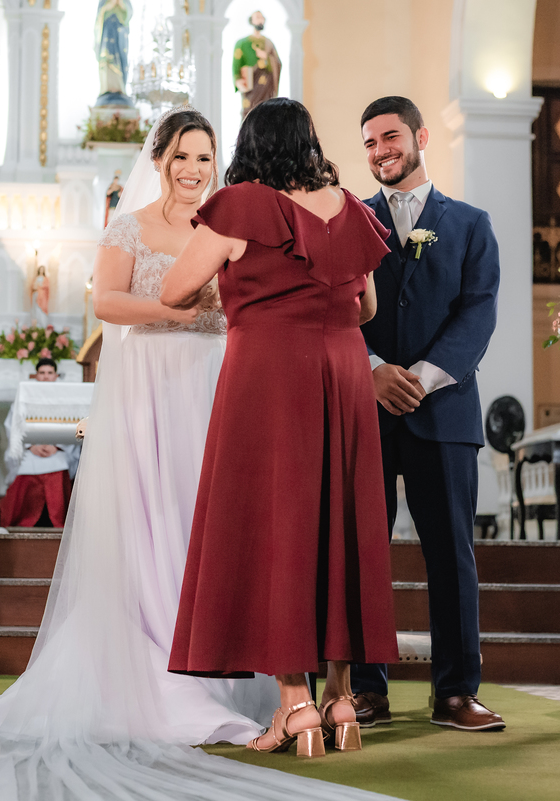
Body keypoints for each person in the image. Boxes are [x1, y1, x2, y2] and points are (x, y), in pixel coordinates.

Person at [0, 108, 374, 801]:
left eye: (205, 156)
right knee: (172, 515)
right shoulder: (141, 224)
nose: (194, 168)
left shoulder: (236, 212)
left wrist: (222, 308)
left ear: (224, 159)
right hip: (156, 381)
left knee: (229, 520)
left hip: (221, 378)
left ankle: (262, 682)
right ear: (160, 157)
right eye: (182, 155)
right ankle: (249, 679)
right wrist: (193, 311)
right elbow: (110, 300)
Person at [164, 97, 399, 758]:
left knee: (278, 528)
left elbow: (175, 289)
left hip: (268, 374)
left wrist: (237, 286)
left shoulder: (242, 204)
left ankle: (294, 708)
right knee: (339, 526)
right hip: (344, 374)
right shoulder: (350, 206)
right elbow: (368, 303)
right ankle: (342, 699)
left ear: (252, 146)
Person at [354, 95, 505, 731]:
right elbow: (331, 306)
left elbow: (478, 312)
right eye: (368, 143)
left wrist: (416, 379)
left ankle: (454, 692)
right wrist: (371, 370)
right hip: (363, 410)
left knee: (450, 552)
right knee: (363, 551)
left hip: (442, 411)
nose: (380, 151)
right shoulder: (348, 219)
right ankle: (365, 689)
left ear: (418, 137)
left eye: (389, 137)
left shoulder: (470, 224)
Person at [0, 358, 77, 528]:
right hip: (31, 450)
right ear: (36, 375)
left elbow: (74, 424)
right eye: (42, 373)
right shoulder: (24, 398)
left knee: (59, 466)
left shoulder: (66, 399)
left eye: (49, 373)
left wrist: (57, 446)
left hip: (57, 451)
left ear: (56, 375)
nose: (46, 377)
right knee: (25, 468)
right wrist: (30, 445)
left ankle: (56, 523)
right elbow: (12, 425)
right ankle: (23, 523)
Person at [232, 11, 281, 118]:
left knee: (266, 113)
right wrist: (237, 80)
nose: (260, 20)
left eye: (262, 17)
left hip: (266, 85)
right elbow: (236, 65)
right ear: (251, 20)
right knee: (250, 113)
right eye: (257, 17)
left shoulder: (268, 43)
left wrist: (267, 57)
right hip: (251, 84)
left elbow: (277, 63)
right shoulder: (243, 43)